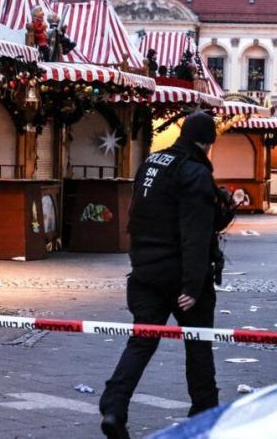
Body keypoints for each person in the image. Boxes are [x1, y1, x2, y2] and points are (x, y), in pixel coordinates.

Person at [99, 112, 232, 439]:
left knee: (142, 342)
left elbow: (140, 215)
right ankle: (205, 415)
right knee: (198, 344)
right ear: (206, 142)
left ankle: (114, 406)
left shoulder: (153, 162)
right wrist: (192, 283)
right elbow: (196, 233)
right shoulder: (196, 172)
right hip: (180, 273)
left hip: (145, 271)